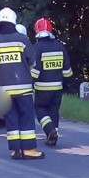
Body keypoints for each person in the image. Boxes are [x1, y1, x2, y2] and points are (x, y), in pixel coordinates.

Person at [0, 8, 44, 160]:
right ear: (13, 21)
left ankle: (15, 151)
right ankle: (29, 150)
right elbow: (32, 62)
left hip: (4, 89)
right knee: (26, 117)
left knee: (11, 119)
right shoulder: (22, 39)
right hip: (23, 87)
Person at [30, 18, 73, 146]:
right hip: (57, 89)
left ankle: (50, 130)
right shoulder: (60, 46)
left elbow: (35, 72)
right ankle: (54, 136)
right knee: (54, 111)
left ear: (37, 31)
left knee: (40, 109)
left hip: (42, 89)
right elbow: (67, 72)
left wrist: (29, 82)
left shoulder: (37, 48)